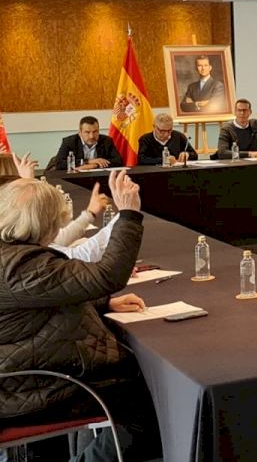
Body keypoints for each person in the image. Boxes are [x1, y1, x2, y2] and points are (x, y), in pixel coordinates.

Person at [0, 171, 159, 461]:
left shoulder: (9, 255)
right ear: (46, 224)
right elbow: (108, 275)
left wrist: (103, 303)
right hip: (29, 389)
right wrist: (128, 214)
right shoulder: (19, 266)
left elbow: (44, 296)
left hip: (20, 376)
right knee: (152, 402)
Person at [52, 116, 122, 170]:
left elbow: (118, 161)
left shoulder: (106, 141)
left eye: (95, 132)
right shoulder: (69, 142)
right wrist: (87, 161)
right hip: (75, 178)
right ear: (80, 133)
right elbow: (59, 163)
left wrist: (95, 165)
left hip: (99, 178)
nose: (91, 136)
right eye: (87, 132)